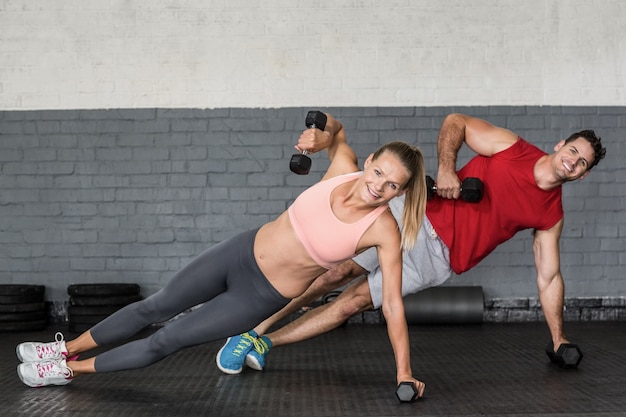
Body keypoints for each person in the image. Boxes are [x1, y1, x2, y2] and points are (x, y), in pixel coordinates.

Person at [15, 113, 428, 395]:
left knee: (167, 340)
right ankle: (66, 348)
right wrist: (320, 136)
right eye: (379, 172)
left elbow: (391, 304)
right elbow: (335, 128)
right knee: (153, 307)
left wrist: (404, 371)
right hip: (239, 252)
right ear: (370, 161)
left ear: (401, 192)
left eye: (392, 185)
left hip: (259, 297)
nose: (379, 186)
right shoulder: (344, 167)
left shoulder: (382, 229)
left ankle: (66, 372)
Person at [217, 113, 607, 392]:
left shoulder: (550, 213)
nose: (572, 161)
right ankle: (253, 327)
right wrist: (449, 169)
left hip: (439, 259)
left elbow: (549, 276)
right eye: (573, 150)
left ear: (583, 174)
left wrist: (558, 339)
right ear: (561, 144)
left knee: (352, 303)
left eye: (581, 162)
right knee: (332, 275)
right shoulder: (511, 148)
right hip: (412, 215)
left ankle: (264, 343)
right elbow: (457, 122)